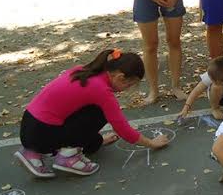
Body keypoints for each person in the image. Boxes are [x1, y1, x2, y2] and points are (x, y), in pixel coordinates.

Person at [14, 49, 170, 178]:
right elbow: (122, 129)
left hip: (29, 128)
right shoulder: (101, 90)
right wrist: (152, 143)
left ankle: (32, 152)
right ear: (120, 77)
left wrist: (97, 140)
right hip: (44, 134)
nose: (127, 89)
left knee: (92, 120)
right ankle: (68, 157)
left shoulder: (84, 71)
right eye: (129, 84)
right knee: (100, 112)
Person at [179, 56, 223, 121]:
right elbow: (197, 90)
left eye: (218, 81)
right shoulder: (213, 73)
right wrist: (186, 107)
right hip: (219, 97)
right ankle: (215, 108)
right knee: (216, 87)